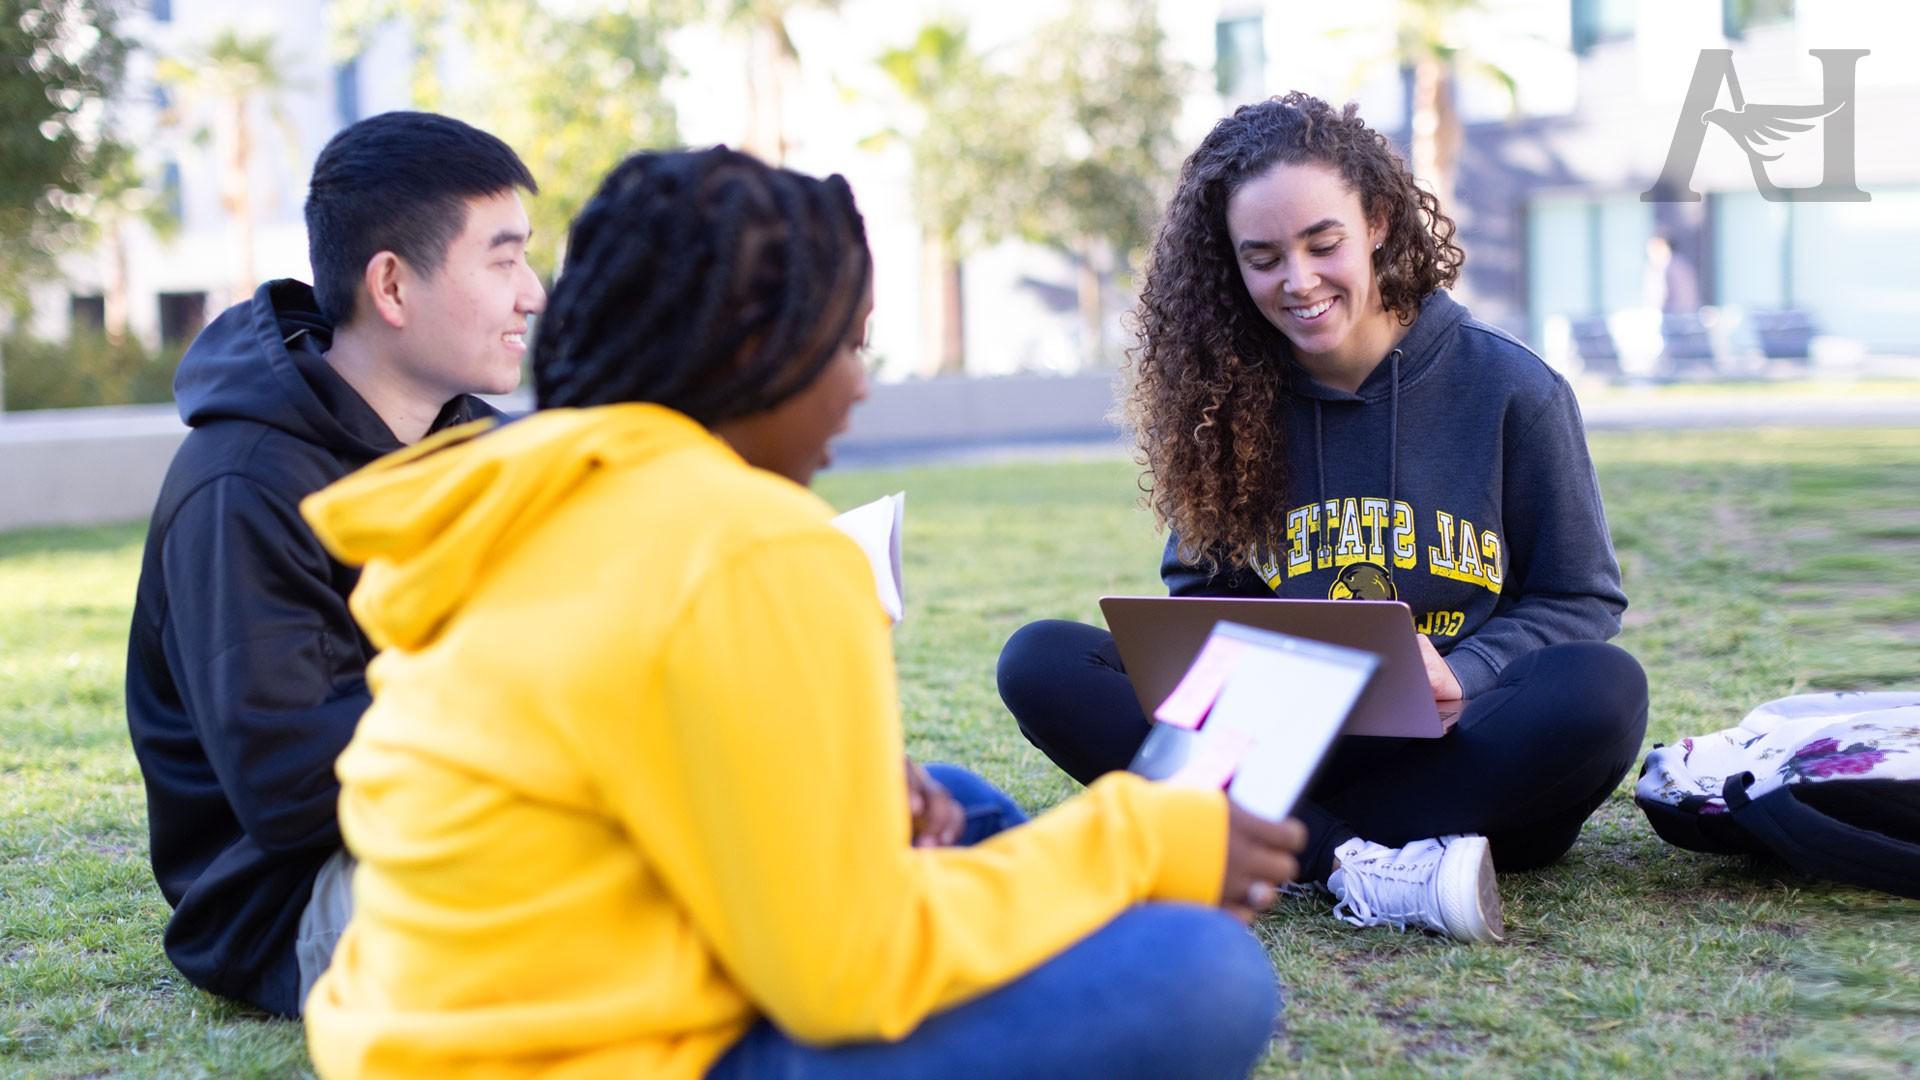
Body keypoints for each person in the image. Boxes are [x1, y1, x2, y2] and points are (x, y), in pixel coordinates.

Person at [298, 147, 1304, 1080]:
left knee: (952, 802)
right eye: (843, 346)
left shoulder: (533, 488)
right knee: (1203, 974)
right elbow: (840, 973)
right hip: (593, 1053)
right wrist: (1136, 840)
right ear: (752, 351)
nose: (857, 389)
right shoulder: (750, 542)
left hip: (425, 1034)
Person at [997, 93, 1650, 944]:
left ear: (1377, 222)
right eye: (1262, 257)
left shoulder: (1512, 389)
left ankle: (1265, 841)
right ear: (1231, 265)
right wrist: (1282, 668)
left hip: (1462, 749)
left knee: (1603, 690)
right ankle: (1366, 866)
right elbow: (1202, 594)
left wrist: (1474, 670)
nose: (1297, 281)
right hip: (1296, 741)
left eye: (1322, 243)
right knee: (1043, 660)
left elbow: (1580, 600)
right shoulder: (1225, 401)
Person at [124, 111, 546, 1017]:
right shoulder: (241, 485)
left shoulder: (478, 448)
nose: (534, 294)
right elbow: (294, 788)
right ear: (392, 285)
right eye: (504, 261)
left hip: (474, 823)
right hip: (300, 894)